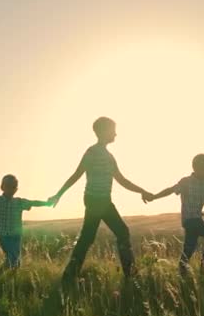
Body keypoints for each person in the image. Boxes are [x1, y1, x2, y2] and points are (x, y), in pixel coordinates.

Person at [48, 117, 153, 280]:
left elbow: (122, 180)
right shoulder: (92, 152)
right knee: (120, 232)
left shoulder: (109, 157)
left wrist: (142, 191)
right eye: (113, 130)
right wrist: (58, 195)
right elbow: (76, 174)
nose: (116, 134)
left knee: (89, 237)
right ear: (103, 131)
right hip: (95, 200)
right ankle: (131, 274)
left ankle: (70, 275)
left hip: (103, 201)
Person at [148, 154, 204, 275]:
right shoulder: (186, 182)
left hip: (193, 219)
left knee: (190, 246)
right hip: (191, 219)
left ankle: (182, 268)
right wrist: (154, 196)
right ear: (197, 168)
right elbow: (170, 190)